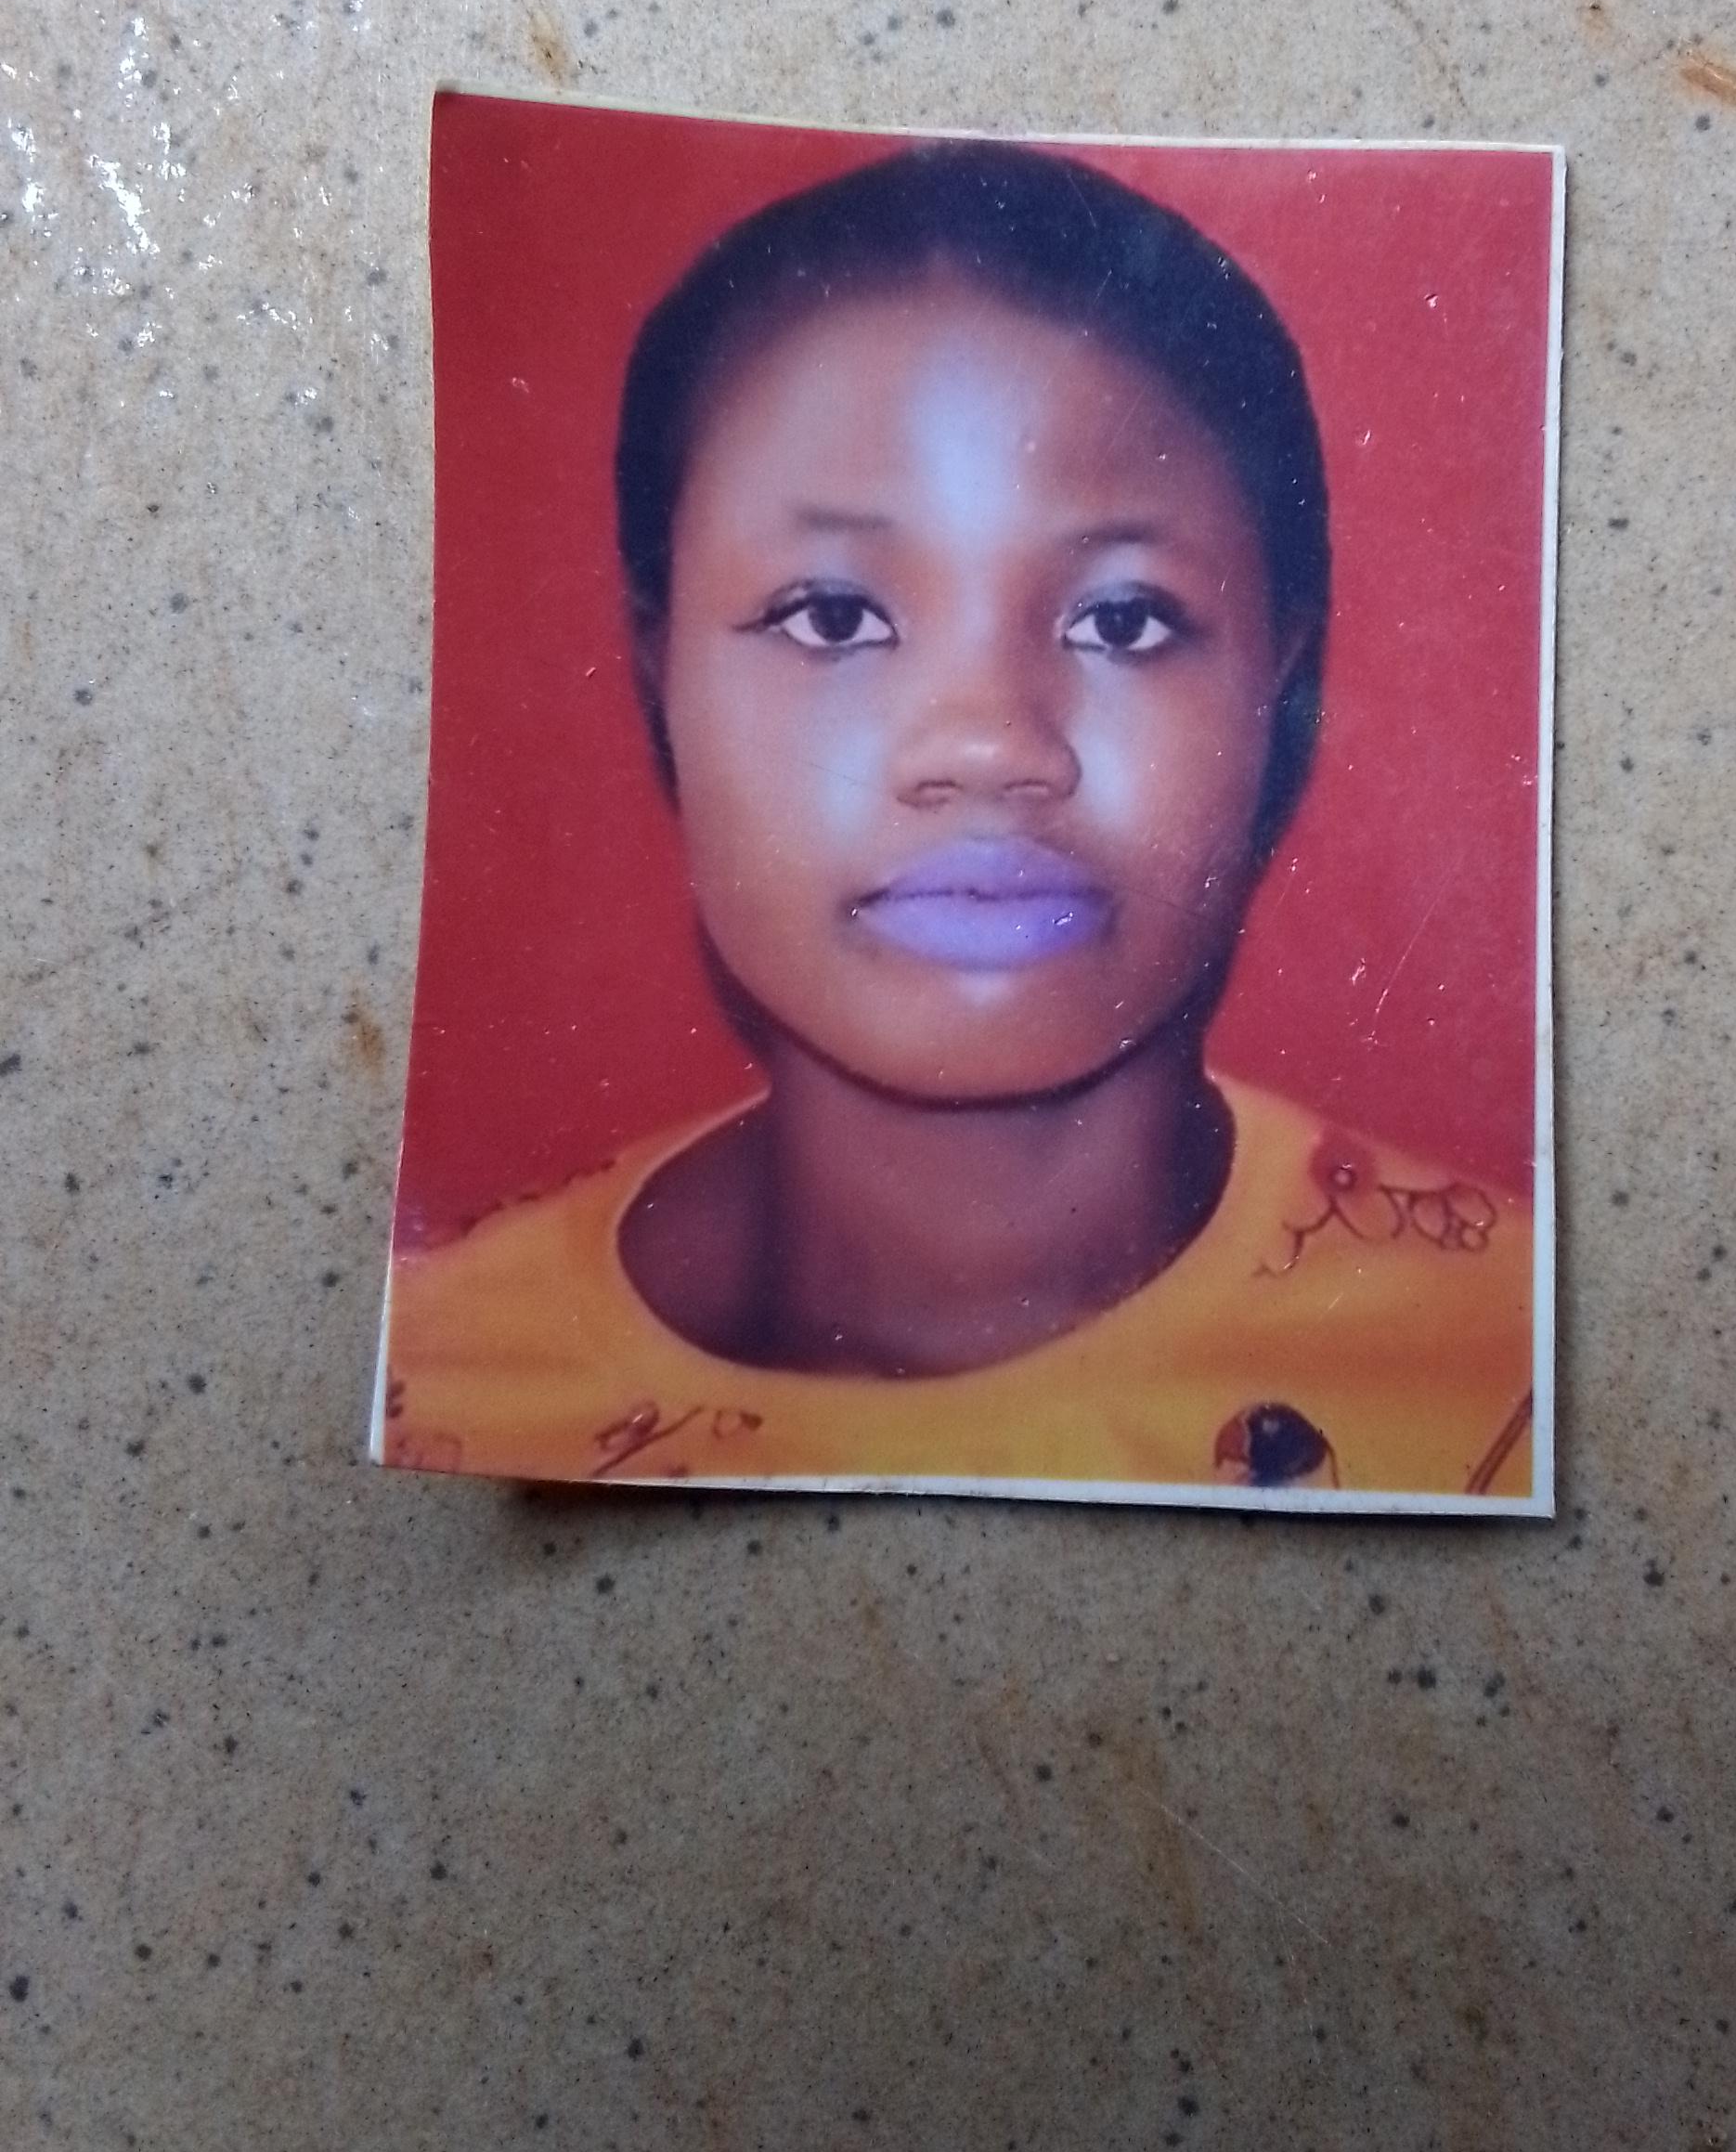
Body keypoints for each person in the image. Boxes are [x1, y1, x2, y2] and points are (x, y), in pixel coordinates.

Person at [381, 141, 1533, 1500]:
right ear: (659, 672)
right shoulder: (443, 1383)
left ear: (1277, 679)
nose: (990, 746)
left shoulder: (1495, 1390)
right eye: (833, 616)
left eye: (1122, 620)